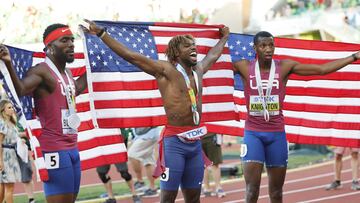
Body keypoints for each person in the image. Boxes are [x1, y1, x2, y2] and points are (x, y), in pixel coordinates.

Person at [82, 19, 229, 203]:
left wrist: (224, 39)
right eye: (187, 46)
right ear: (176, 52)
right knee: (167, 198)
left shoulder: (198, 70)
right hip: (175, 144)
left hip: (195, 143)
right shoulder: (165, 70)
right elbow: (131, 56)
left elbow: (213, 56)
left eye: (194, 45)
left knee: (194, 198)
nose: (194, 49)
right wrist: (103, 34)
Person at [232, 31, 360, 203]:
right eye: (263, 45)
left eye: (271, 45)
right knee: (252, 190)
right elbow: (213, 68)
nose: (268, 49)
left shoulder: (284, 67)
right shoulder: (243, 66)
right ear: (255, 48)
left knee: (276, 193)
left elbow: (321, 70)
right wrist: (221, 40)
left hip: (277, 134)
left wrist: (354, 57)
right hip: (253, 134)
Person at [0, 23, 88, 203]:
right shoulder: (41, 71)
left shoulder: (67, 74)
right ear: (49, 47)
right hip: (54, 148)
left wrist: (96, 66)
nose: (71, 44)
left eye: (72, 40)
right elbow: (22, 89)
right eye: (64, 40)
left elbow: (77, 88)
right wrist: (9, 64)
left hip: (72, 145)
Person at [96, 130, 141, 203]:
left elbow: (124, 134)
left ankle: (134, 194)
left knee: (124, 173)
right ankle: (111, 197)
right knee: (102, 173)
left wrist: (122, 146)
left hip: (117, 145)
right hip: (103, 146)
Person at [0, 100, 21, 203]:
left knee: (3, 187)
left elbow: (14, 137)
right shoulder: (2, 123)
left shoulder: (12, 122)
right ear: (3, 110)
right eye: (9, 108)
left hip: (12, 155)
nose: (12, 109)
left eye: (12, 107)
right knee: (9, 187)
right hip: (6, 156)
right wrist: (0, 161)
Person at [128, 127, 160, 196]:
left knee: (132, 155)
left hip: (147, 135)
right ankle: (152, 187)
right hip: (146, 135)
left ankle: (140, 181)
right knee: (148, 161)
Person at [201, 132, 225, 198]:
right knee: (202, 164)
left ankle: (218, 187)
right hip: (197, 136)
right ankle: (206, 187)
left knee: (215, 163)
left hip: (212, 135)